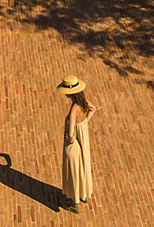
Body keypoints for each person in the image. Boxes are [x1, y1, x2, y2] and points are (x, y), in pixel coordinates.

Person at [57, 75, 95, 213]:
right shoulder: (84, 102)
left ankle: (74, 203)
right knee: (83, 166)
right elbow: (93, 109)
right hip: (83, 139)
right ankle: (84, 194)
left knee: (73, 170)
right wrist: (84, 123)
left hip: (74, 144)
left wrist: (71, 138)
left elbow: (71, 132)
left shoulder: (74, 108)